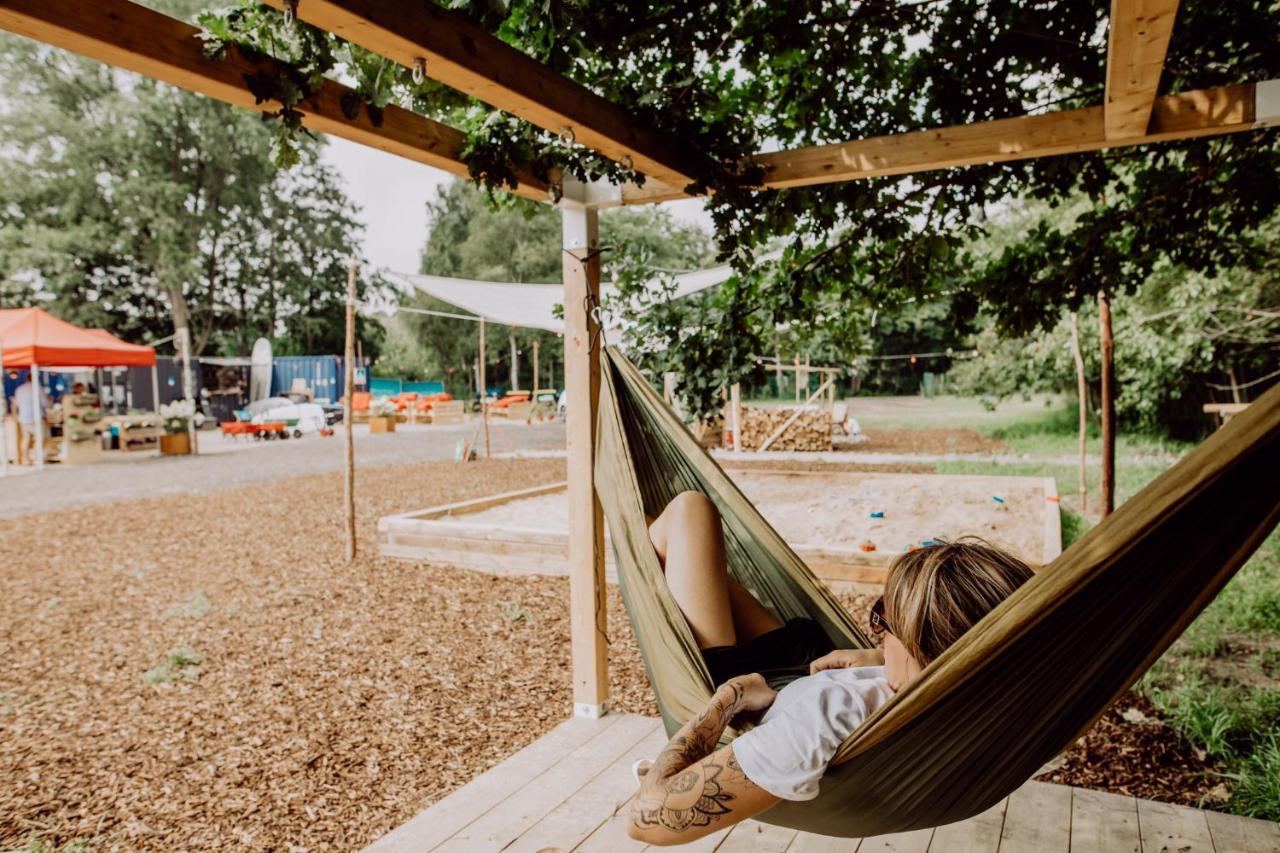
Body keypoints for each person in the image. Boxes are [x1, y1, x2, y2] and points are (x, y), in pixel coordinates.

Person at [629, 492, 1034, 845]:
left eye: (883, 619)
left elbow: (647, 820)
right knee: (669, 528)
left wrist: (726, 699)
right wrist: (877, 659)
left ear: (922, 650)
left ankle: (625, 523)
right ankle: (634, 524)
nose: (878, 634)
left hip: (749, 680)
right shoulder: (1008, 689)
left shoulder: (820, 721)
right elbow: (947, 657)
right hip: (813, 661)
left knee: (681, 517)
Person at [12, 374, 48, 466]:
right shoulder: (38, 388)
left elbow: (16, 404)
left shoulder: (20, 389)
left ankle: (25, 459)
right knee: (39, 438)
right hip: (36, 418)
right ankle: (36, 458)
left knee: (25, 439)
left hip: (23, 418)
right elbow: (45, 403)